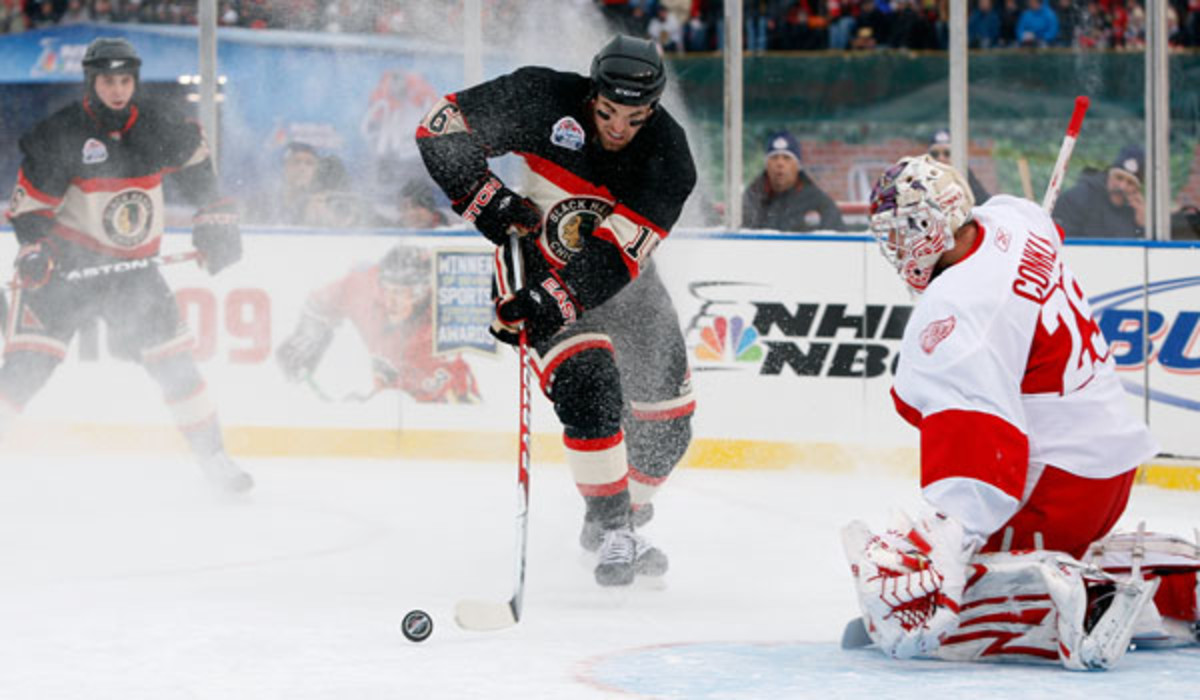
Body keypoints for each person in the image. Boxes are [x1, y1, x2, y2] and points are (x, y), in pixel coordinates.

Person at [840, 154, 1200, 670]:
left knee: (943, 608)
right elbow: (1046, 229)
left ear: (927, 229)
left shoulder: (954, 311)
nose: (893, 249)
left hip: (1058, 487)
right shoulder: (1011, 218)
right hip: (1109, 463)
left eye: (897, 234)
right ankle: (1181, 586)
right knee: (1037, 551)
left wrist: (949, 549)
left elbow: (981, 456)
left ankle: (1086, 608)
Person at [416, 34, 697, 587]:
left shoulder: (669, 154)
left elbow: (618, 254)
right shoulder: (542, 97)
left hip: (625, 283)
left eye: (634, 117)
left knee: (670, 428)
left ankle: (619, 521)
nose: (618, 128)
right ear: (591, 93)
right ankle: (614, 528)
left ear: (653, 110)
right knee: (589, 383)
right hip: (536, 268)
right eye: (608, 111)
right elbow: (439, 127)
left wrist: (557, 302)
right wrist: (489, 202)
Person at [2, 37, 250, 493]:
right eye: (107, 80)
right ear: (90, 82)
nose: (117, 90)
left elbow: (199, 173)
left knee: (177, 368)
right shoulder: (61, 134)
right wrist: (35, 251)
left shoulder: (158, 125)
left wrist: (214, 212)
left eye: (125, 80)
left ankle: (214, 459)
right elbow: (31, 213)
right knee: (23, 372)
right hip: (66, 271)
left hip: (134, 272)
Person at [275, 245, 479, 403]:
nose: (390, 301)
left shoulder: (441, 327)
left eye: (400, 292)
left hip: (433, 405)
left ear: (421, 292)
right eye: (387, 289)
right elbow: (320, 303)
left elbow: (458, 407)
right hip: (386, 396)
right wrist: (308, 334)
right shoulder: (362, 286)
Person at [741, 130, 844, 233]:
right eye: (774, 157)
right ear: (767, 164)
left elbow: (836, 242)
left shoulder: (818, 202)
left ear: (797, 165)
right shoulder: (751, 200)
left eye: (787, 158)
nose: (780, 163)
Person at [1053, 144, 1145, 238]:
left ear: (1137, 190)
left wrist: (1142, 226)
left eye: (1130, 183)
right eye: (1119, 178)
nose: (1122, 187)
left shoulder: (1135, 212)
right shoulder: (1076, 199)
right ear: (1108, 175)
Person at [926, 129, 990, 204]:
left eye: (947, 153)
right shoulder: (922, 177)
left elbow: (984, 202)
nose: (941, 158)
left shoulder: (964, 174)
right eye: (935, 154)